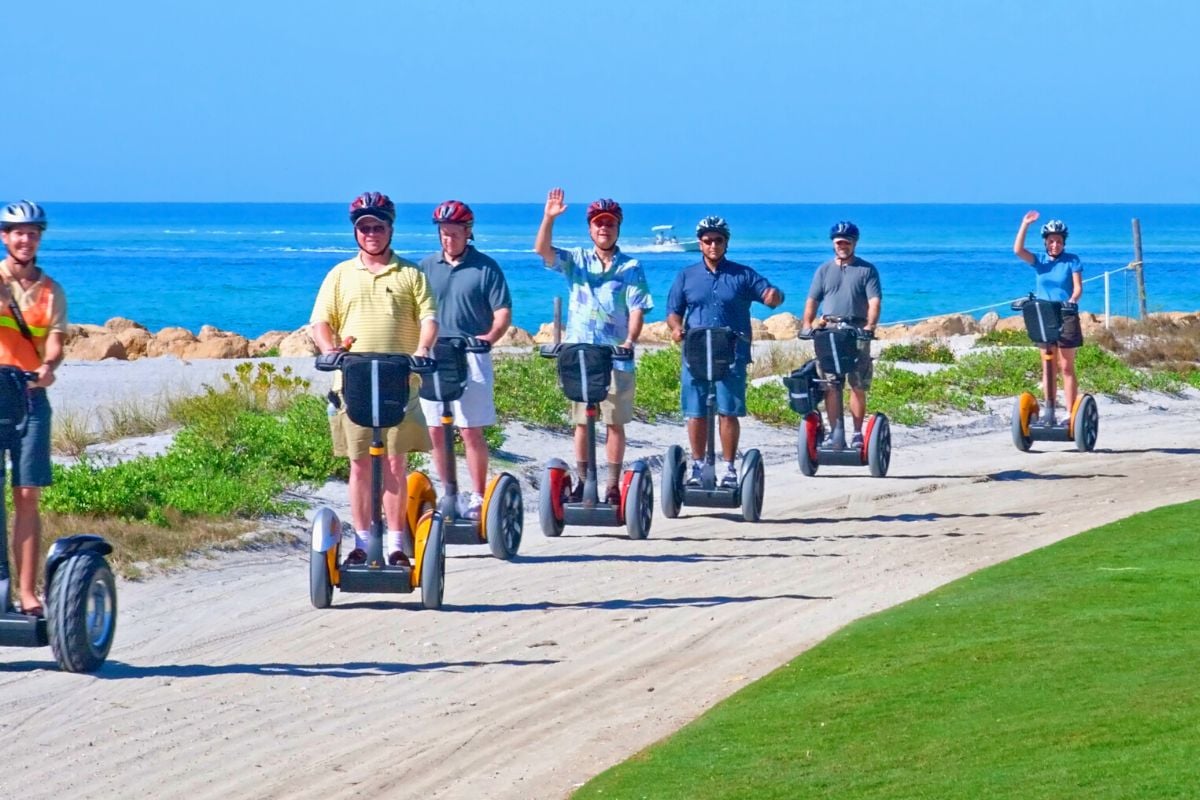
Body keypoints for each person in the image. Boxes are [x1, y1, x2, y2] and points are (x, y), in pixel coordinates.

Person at [310, 192, 438, 566]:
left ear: (390, 230)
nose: (371, 233)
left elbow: (429, 318)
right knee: (360, 464)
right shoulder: (339, 275)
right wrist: (328, 349)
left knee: (396, 463)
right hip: (354, 386)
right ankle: (363, 542)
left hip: (400, 384)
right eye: (364, 227)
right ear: (355, 231)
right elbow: (322, 321)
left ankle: (397, 543)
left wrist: (424, 349)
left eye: (377, 227)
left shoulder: (412, 274)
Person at [534, 188, 653, 503]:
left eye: (610, 223)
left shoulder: (631, 267)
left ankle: (613, 486)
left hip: (615, 357)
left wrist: (629, 341)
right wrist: (549, 218)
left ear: (618, 228)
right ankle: (583, 482)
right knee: (582, 422)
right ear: (590, 228)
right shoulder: (577, 260)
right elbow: (543, 251)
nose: (604, 228)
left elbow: (638, 307)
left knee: (614, 422)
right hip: (581, 356)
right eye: (599, 223)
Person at [666, 216, 784, 487]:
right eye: (707, 241)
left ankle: (730, 469)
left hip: (731, 353)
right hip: (695, 352)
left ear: (726, 242)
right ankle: (697, 466)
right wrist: (675, 329)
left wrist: (773, 296)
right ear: (700, 243)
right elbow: (674, 311)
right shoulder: (686, 276)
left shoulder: (742, 274)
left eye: (718, 240)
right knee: (695, 411)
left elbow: (769, 294)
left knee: (727, 411)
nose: (713, 245)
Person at [418, 200, 512, 520]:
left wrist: (489, 338)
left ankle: (477, 495)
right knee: (436, 430)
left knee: (470, 429)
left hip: (471, 354)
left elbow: (502, 313)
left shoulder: (486, 267)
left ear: (468, 232)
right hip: (434, 355)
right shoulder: (425, 267)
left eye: (454, 233)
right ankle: (449, 492)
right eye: (444, 233)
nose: (448, 239)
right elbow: (412, 310)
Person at [0, 201, 67, 617]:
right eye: (17, 232)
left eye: (32, 233)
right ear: (5, 237)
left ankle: (26, 592)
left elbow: (56, 341)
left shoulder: (50, 290)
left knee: (26, 494)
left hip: (28, 396)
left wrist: (47, 368)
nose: (25, 239)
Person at [801, 221, 882, 450]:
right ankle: (835, 432)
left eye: (846, 242)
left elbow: (874, 302)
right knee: (830, 383)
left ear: (854, 243)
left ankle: (857, 433)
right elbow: (812, 300)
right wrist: (807, 324)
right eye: (839, 242)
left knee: (857, 383)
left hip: (856, 332)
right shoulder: (824, 270)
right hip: (829, 331)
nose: (842, 245)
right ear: (833, 244)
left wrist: (870, 327)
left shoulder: (867, 270)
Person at [1013, 210, 1083, 422]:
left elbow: (1078, 288)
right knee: (1048, 364)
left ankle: (1071, 414)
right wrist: (1025, 224)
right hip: (1043, 314)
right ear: (1046, 242)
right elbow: (1017, 250)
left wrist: (1072, 300)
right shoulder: (1040, 261)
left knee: (1066, 366)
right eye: (1051, 241)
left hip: (1066, 313)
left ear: (1064, 242)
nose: (1055, 245)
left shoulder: (1072, 260)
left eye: (1059, 241)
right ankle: (1049, 411)